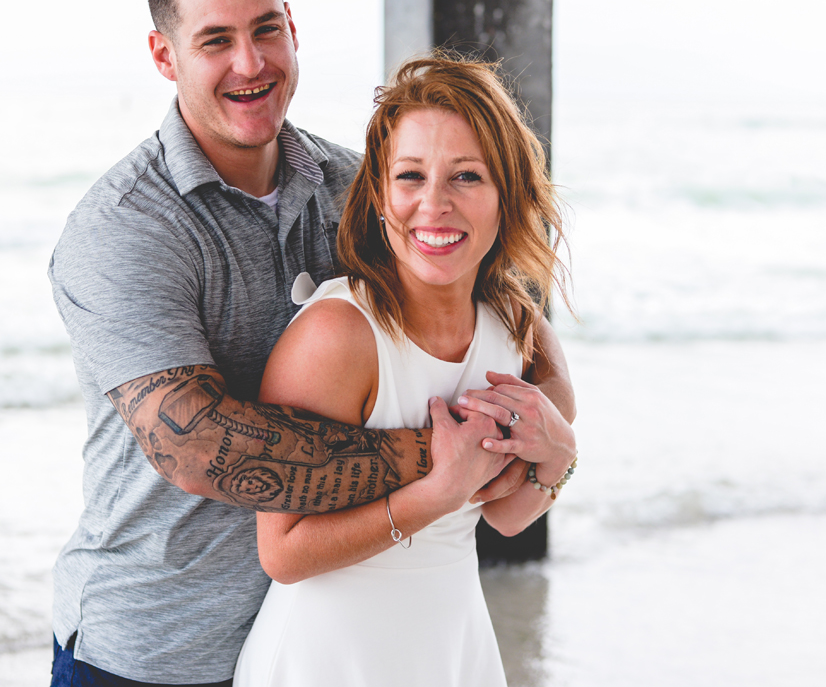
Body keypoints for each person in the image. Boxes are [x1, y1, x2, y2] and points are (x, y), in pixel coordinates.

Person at [48, 0, 575, 686]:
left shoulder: (358, 188)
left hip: (325, 636)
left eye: (266, 29)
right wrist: (453, 455)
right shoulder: (125, 229)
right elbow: (195, 445)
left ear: (293, 27)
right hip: (155, 647)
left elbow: (499, 307)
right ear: (165, 57)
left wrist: (554, 430)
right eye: (215, 41)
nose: (251, 62)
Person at [233, 54, 577, 687]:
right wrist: (435, 494)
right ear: (382, 199)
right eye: (411, 176)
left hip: (452, 647)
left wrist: (561, 455)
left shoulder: (510, 324)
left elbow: (504, 515)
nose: (434, 205)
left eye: (467, 176)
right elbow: (281, 552)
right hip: (330, 660)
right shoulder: (338, 335)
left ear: (507, 193)